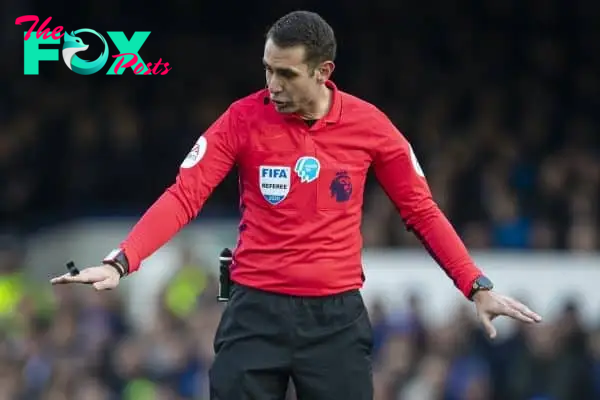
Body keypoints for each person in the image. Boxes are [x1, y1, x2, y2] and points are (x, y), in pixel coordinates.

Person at [50, 10, 542, 400]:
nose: (273, 85)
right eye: (267, 70)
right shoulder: (242, 119)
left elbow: (421, 210)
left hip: (335, 321)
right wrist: (122, 261)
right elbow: (184, 195)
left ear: (323, 72)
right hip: (254, 312)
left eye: (286, 74)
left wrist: (474, 284)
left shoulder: (370, 127)